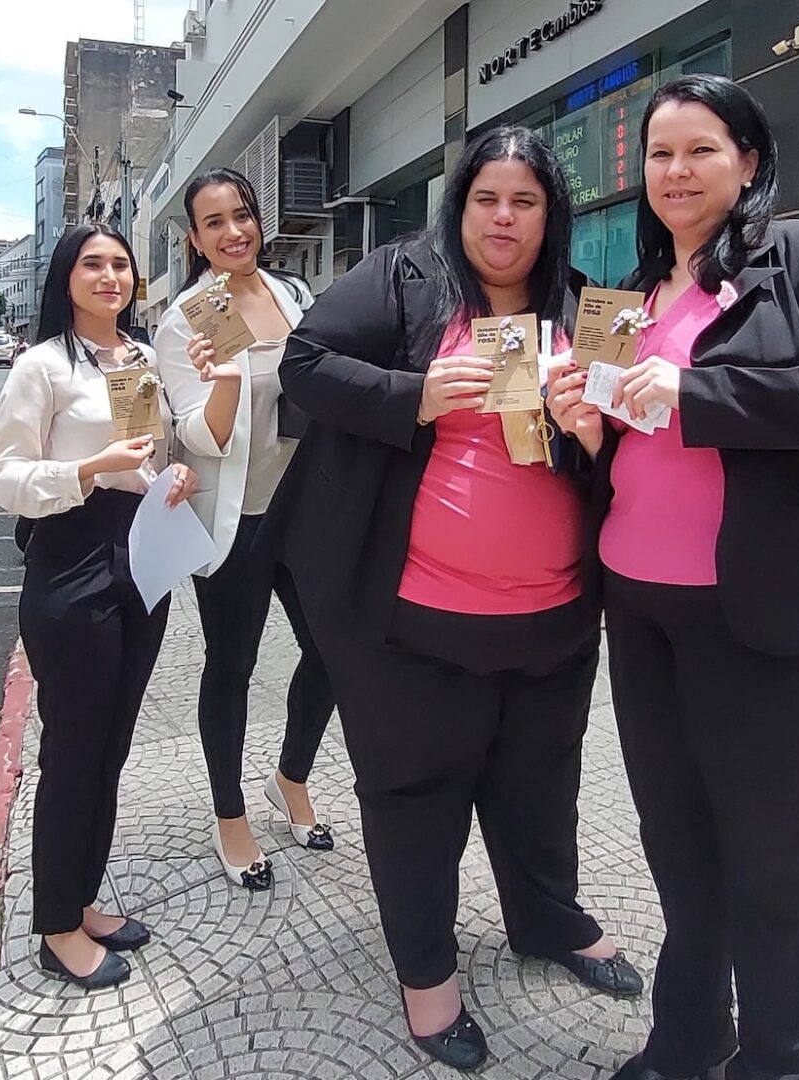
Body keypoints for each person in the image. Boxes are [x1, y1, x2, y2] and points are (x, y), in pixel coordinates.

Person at [547, 75, 799, 1080]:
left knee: (771, 863)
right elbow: (623, 446)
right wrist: (587, 431)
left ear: (748, 162)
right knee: (677, 841)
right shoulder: (624, 295)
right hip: (640, 604)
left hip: (758, 609)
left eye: (700, 150)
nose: (676, 172)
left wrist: (702, 393)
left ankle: (787, 1063)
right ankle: (690, 1036)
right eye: (660, 154)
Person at [276, 126, 644, 1073]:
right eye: (488, 198)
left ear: (550, 215)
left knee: (540, 788)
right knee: (415, 798)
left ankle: (547, 920)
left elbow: (625, 453)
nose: (504, 218)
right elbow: (305, 364)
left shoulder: (583, 310)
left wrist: (591, 432)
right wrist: (415, 393)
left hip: (553, 616)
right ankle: (427, 972)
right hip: (413, 619)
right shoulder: (405, 276)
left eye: (525, 201)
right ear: (461, 205)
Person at [0, 223, 198, 991]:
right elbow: (0, 472)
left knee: (110, 746)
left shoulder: (140, 360)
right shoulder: (42, 366)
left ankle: (81, 897)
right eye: (92, 264)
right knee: (72, 750)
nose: (109, 276)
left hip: (140, 551)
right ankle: (56, 929)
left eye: (120, 264)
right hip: (70, 559)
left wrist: (176, 474)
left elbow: (156, 453)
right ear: (65, 277)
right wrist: (86, 469)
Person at [153, 168, 338, 892]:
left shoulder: (293, 295)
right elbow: (194, 432)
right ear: (195, 240)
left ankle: (289, 778)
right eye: (215, 222)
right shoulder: (187, 319)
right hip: (238, 522)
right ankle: (230, 814)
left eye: (243, 216)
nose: (235, 233)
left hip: (303, 510)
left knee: (330, 650)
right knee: (232, 665)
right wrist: (226, 380)